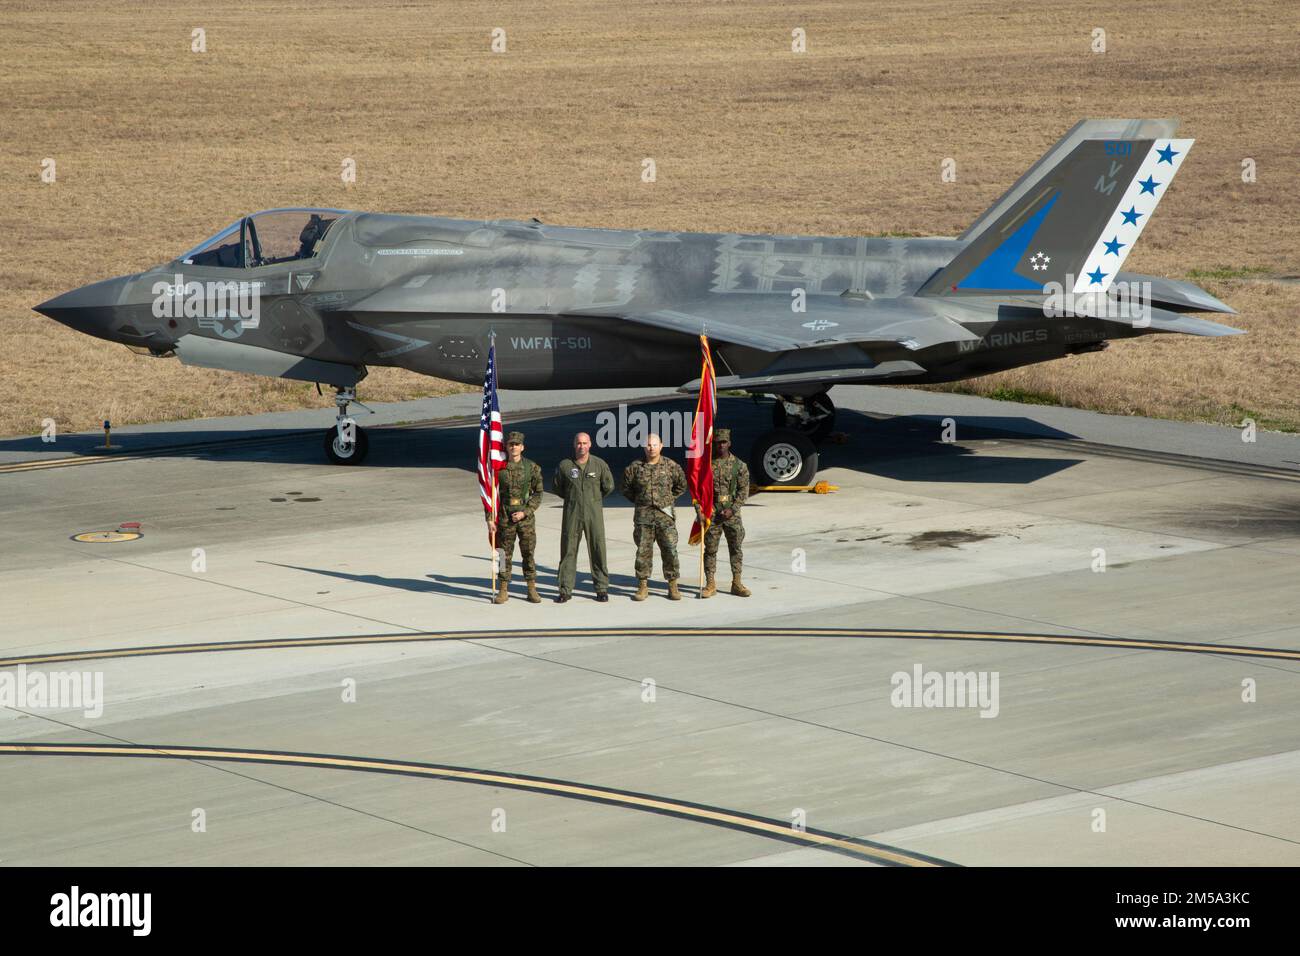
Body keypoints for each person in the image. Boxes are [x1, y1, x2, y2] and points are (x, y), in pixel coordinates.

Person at [620, 433, 688, 601]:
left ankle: (673, 585)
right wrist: (640, 501)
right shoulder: (634, 468)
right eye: (648, 445)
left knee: (670, 550)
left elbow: (681, 485)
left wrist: (668, 500)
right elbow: (626, 488)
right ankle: (643, 586)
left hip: (665, 516)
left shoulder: (671, 466)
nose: (651, 448)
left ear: (661, 446)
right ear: (644, 447)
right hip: (644, 517)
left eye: (654, 445)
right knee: (643, 552)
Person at [553, 431, 614, 602]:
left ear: (590, 444)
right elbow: (558, 487)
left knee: (597, 548)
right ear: (574, 445)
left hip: (593, 513)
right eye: (579, 443)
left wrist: (592, 500)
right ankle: (565, 589)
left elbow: (608, 486)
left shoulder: (599, 464)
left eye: (585, 443)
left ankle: (601, 588)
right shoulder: (565, 466)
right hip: (572, 513)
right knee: (568, 550)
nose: (582, 446)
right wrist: (573, 500)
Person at [492, 431, 544, 604]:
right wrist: (489, 518)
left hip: (525, 517)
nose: (513, 447)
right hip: (505, 515)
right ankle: (503, 588)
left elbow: (538, 493)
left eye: (517, 444)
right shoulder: (499, 468)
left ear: (522, 447)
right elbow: (491, 495)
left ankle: (531, 588)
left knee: (528, 553)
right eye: (510, 444)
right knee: (502, 554)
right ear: (506, 446)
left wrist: (526, 512)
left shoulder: (532, 467)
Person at [699, 428, 751, 598]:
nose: (720, 446)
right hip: (712, 513)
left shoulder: (739, 466)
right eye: (717, 443)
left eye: (723, 442)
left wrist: (733, 509)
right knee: (711, 550)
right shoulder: (707, 466)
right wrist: (701, 511)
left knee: (735, 548)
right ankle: (710, 584)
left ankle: (736, 583)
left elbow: (744, 491)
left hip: (732, 514)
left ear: (729, 443)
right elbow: (699, 492)